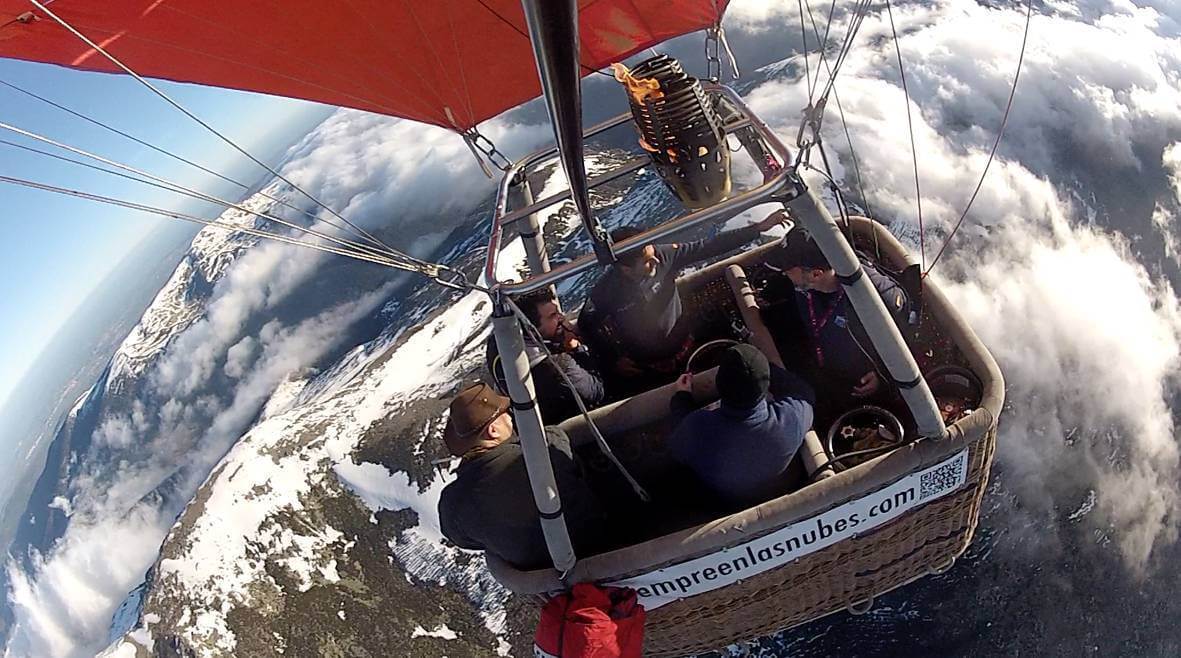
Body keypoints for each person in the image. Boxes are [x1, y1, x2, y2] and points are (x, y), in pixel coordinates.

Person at [578, 210, 786, 388]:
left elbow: (708, 246)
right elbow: (586, 325)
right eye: (648, 261)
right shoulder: (606, 291)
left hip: (687, 342)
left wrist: (758, 227)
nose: (656, 260)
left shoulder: (665, 255)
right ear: (625, 269)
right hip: (647, 364)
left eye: (654, 253)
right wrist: (613, 359)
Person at [437, 382, 606, 569]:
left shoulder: (451, 505)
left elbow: (464, 539)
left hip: (545, 575)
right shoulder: (545, 444)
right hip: (605, 543)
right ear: (493, 430)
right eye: (505, 414)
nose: (510, 418)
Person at [761, 228, 914, 416]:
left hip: (856, 383)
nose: (784, 274)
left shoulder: (878, 298)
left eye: (788, 270)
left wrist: (883, 375)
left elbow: (907, 338)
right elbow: (786, 288)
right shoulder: (804, 282)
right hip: (817, 362)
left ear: (816, 274)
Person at [667, 344, 815, 504]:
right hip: (777, 491)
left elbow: (676, 446)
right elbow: (805, 393)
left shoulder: (696, 428)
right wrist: (762, 370)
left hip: (726, 504)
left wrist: (681, 397)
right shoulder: (792, 419)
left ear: (719, 385)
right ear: (766, 384)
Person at [486, 288, 606, 424]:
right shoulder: (558, 367)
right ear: (531, 328)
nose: (561, 317)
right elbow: (597, 392)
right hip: (574, 422)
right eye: (553, 315)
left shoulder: (499, 341)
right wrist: (579, 350)